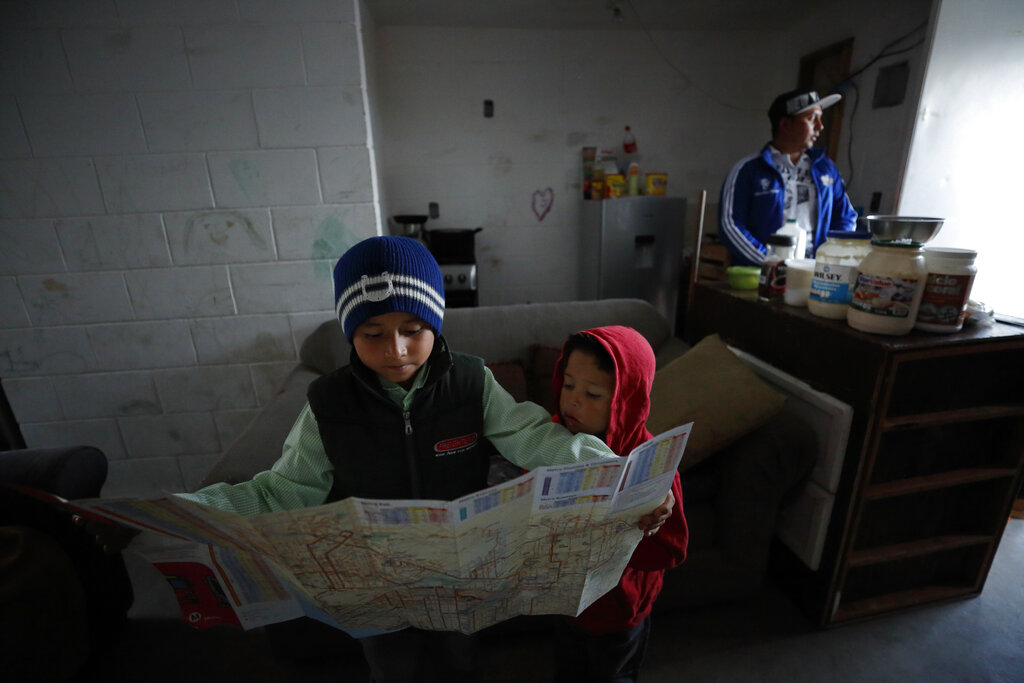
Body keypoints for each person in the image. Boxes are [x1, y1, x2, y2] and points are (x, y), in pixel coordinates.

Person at [79, 236, 671, 682]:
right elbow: (276, 492)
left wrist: (615, 474)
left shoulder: (471, 382)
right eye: (372, 333)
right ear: (348, 333)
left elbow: (536, 438)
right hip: (373, 587)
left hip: (456, 582)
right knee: (393, 669)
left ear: (437, 322)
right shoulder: (329, 405)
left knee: (457, 664)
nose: (396, 350)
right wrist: (165, 515)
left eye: (414, 328)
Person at [550, 326, 688, 683]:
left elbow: (672, 550)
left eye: (593, 393)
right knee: (567, 670)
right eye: (568, 385)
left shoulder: (651, 465)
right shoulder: (552, 439)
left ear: (626, 399)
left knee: (611, 675)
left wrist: (649, 523)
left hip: (619, 613)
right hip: (564, 604)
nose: (573, 402)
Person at [719, 88, 858, 266]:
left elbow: (846, 217)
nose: (820, 126)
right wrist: (769, 262)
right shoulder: (748, 170)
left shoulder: (826, 169)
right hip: (763, 277)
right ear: (785, 125)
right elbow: (730, 225)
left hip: (812, 273)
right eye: (812, 119)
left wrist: (827, 260)